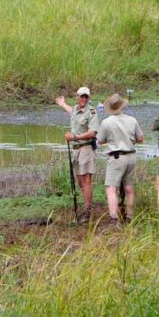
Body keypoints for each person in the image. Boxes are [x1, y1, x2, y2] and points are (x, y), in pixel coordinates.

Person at [96, 93, 144, 226]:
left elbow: (99, 141)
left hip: (116, 157)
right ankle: (129, 217)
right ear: (122, 106)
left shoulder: (106, 122)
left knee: (111, 189)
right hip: (131, 156)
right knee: (129, 188)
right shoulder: (132, 120)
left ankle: (113, 218)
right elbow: (140, 138)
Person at [55, 87, 101, 222]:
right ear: (77, 97)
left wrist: (74, 137)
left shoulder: (92, 112)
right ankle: (87, 206)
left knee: (86, 180)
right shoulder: (75, 108)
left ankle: (87, 212)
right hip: (76, 150)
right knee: (80, 181)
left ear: (89, 98)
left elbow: (93, 133)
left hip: (86, 148)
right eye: (82, 96)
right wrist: (63, 104)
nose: (84, 99)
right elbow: (71, 111)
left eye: (86, 97)